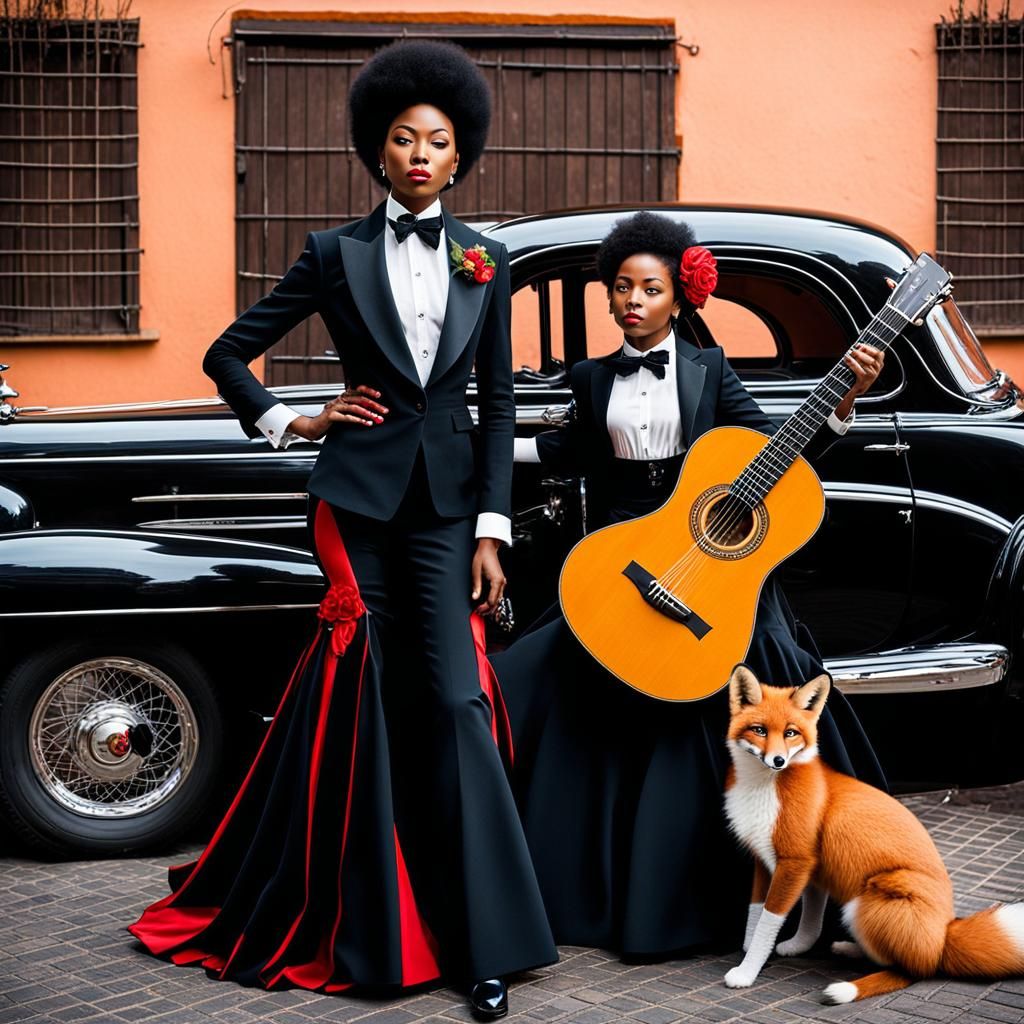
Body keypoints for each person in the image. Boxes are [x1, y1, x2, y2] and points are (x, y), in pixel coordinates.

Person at [128, 40, 555, 1021]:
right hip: (355, 510)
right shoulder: (334, 253)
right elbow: (227, 353)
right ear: (377, 150)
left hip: (447, 518)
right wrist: (299, 419)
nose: (419, 153)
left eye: (436, 140)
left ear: (459, 155)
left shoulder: (487, 258)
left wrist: (492, 530)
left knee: (455, 702)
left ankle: (483, 943)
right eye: (402, 138)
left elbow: (497, 404)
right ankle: (364, 925)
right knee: (362, 704)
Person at [490, 211, 888, 960]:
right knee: (519, 681)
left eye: (650, 288)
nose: (633, 301)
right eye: (621, 288)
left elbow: (771, 453)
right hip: (628, 565)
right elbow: (561, 451)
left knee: (761, 671)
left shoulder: (711, 370)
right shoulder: (591, 378)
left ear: (678, 297)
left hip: (710, 569)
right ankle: (534, 886)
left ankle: (779, 889)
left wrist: (840, 405)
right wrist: (467, 444)